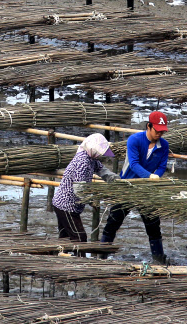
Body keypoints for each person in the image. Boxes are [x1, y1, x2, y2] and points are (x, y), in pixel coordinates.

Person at [100, 111, 170, 264]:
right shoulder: (135, 140)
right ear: (148, 126)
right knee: (113, 221)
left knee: (153, 225)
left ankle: (158, 259)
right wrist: (149, 176)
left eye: (162, 131)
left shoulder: (164, 145)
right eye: (157, 130)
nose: (159, 133)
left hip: (147, 191)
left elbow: (162, 166)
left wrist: (156, 176)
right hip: (127, 186)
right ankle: (101, 256)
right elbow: (134, 164)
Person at [52, 133, 119, 242]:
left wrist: (116, 180)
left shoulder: (91, 158)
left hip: (66, 205)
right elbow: (79, 188)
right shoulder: (82, 161)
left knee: (65, 238)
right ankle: (76, 258)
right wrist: (91, 200)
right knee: (79, 238)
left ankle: (62, 256)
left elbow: (103, 171)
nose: (99, 155)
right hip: (66, 205)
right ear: (92, 148)